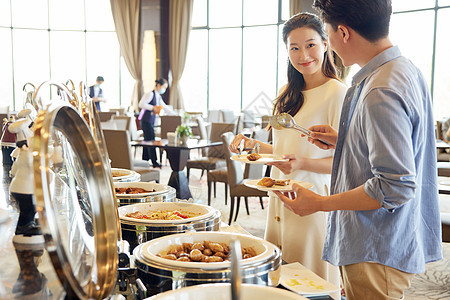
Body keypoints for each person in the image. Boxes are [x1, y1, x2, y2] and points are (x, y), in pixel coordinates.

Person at [276, 0, 442, 299]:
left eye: (324, 35)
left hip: (375, 245)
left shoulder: (380, 89)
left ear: (342, 32)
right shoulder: (402, 69)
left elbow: (394, 186)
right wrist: (345, 140)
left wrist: (318, 203)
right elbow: (404, 148)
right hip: (385, 240)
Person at [229, 13, 346, 288]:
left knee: (310, 280)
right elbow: (283, 150)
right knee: (280, 278)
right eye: (294, 48)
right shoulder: (286, 93)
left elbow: (345, 160)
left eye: (310, 45)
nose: (303, 55)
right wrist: (251, 144)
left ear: (326, 44)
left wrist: (303, 163)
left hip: (313, 199)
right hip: (279, 195)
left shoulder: (337, 93)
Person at [138, 78, 175, 168]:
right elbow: (141, 104)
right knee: (151, 140)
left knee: (147, 141)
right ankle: (154, 162)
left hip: (150, 120)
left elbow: (164, 107)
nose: (164, 90)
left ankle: (145, 160)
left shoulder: (158, 96)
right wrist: (153, 108)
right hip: (145, 120)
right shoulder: (150, 94)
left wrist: (175, 115)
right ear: (159, 85)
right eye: (164, 87)